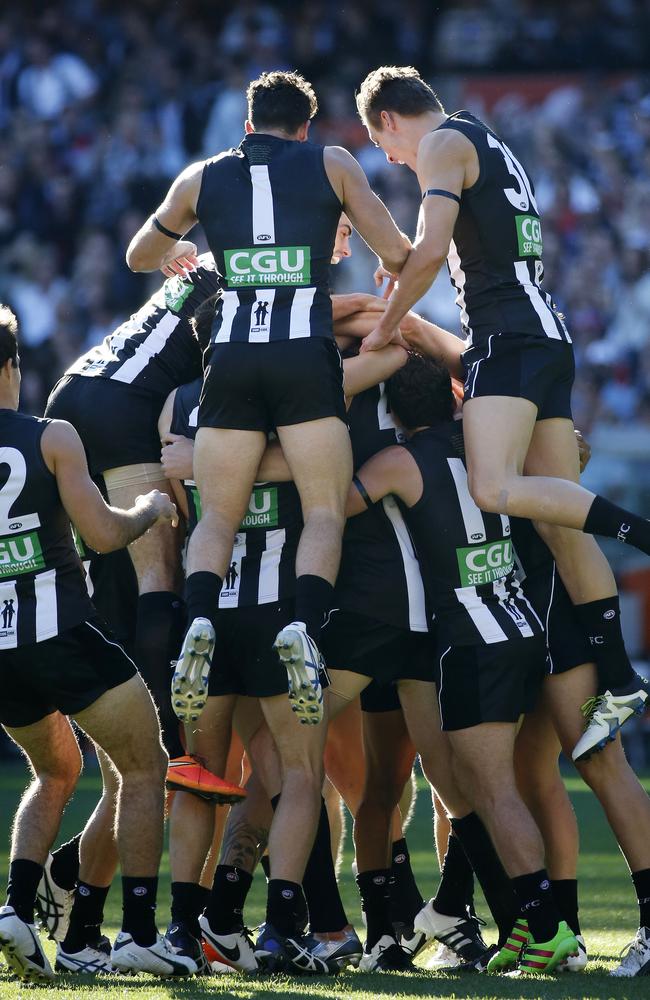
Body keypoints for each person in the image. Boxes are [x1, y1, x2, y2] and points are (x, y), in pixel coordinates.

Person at [354, 65, 649, 760]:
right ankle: (620, 678)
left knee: (492, 486)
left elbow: (428, 254)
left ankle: (641, 531)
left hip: (506, 340)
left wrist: (385, 322)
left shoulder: (439, 145)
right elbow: (440, 251)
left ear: (389, 121)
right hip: (546, 337)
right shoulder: (486, 141)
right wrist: (403, 271)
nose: (393, 159)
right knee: (561, 525)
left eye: (384, 146)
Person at [125, 69, 410, 741]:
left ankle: (199, 617)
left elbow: (141, 255)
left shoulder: (201, 175)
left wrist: (185, 249)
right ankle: (303, 630)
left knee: (216, 516)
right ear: (305, 127)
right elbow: (396, 250)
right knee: (322, 510)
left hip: (230, 358)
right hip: (303, 357)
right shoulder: (333, 162)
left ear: (248, 125)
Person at [346, 353, 579, 974]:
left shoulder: (397, 460)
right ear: (452, 402)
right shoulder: (482, 443)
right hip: (526, 627)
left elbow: (332, 504)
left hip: (473, 640)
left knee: (491, 792)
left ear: (392, 410)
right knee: (508, 786)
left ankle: (547, 929)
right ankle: (482, 914)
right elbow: (566, 458)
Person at [0, 306, 197, 980]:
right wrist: (150, 508)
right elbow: (108, 534)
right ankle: (139, 932)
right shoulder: (50, 437)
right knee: (146, 766)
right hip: (62, 635)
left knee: (55, 771)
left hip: (1, 655)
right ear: (11, 368)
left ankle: (16, 910)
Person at [44, 255, 225, 782]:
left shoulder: (214, 254)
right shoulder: (258, 259)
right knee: (158, 572)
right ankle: (170, 749)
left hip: (77, 389)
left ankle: (121, 743)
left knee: (110, 569)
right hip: (123, 403)